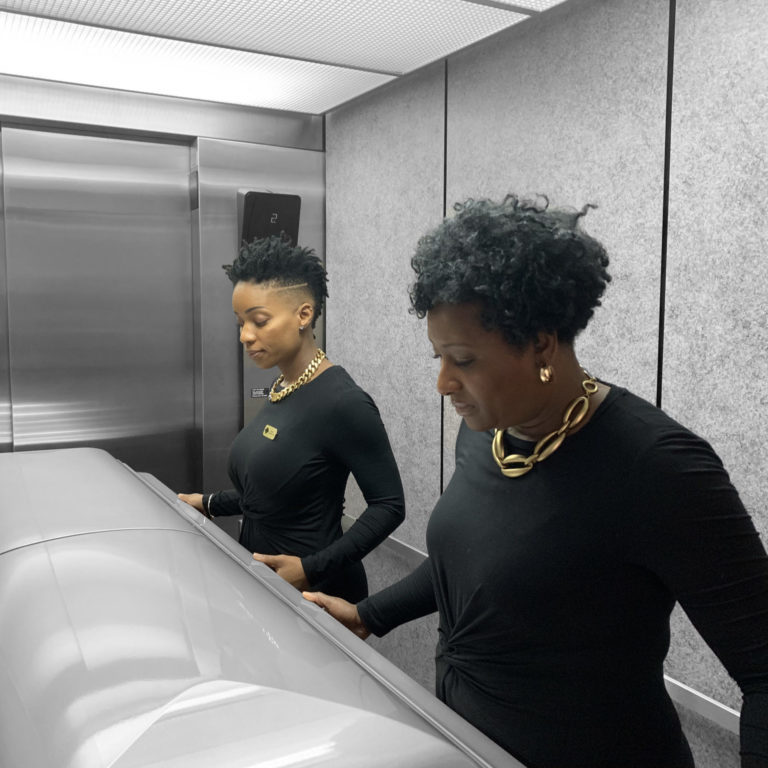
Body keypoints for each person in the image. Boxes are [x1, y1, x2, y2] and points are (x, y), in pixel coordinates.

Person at [304, 195, 768, 767]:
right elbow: (476, 562)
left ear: (542, 344)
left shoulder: (659, 466)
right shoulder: (488, 429)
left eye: (463, 360)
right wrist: (369, 616)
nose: (443, 383)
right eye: (437, 358)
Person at [179, 235, 405, 603]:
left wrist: (311, 569)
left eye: (259, 321)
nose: (245, 336)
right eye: (240, 322)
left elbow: (390, 506)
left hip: (318, 595)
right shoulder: (282, 385)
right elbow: (271, 494)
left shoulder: (344, 402)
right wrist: (208, 504)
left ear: (303, 315)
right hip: (265, 585)